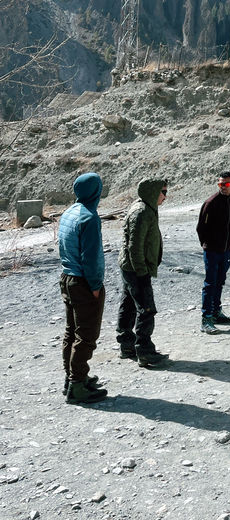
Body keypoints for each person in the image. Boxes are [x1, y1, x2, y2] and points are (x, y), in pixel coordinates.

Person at [58, 172, 108, 404]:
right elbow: (91, 257)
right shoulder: (89, 217)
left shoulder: (69, 212)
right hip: (83, 282)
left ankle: (71, 379)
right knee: (86, 335)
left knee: (71, 332)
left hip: (67, 278)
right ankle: (77, 386)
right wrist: (95, 285)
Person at [117, 178, 169, 367]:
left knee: (129, 305)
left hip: (131, 267)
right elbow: (134, 246)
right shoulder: (141, 212)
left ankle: (127, 346)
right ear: (153, 192)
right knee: (146, 308)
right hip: (136, 269)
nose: (165, 197)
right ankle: (144, 351)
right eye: (163, 192)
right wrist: (141, 272)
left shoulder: (146, 207)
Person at [197, 171, 230, 334]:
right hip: (212, 250)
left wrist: (229, 239)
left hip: (226, 248)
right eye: (221, 184)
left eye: (226, 184)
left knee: (220, 281)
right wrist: (207, 244)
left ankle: (216, 312)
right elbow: (201, 227)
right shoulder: (211, 202)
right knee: (210, 283)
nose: (223, 187)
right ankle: (206, 319)